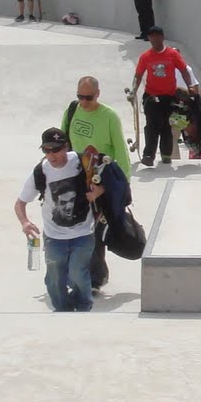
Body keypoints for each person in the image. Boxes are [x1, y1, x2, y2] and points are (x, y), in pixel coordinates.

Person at [15, 128, 101, 313]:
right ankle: (63, 311)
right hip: (54, 236)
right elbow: (20, 203)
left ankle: (83, 308)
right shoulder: (41, 171)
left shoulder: (82, 162)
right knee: (55, 278)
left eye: (56, 149)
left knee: (78, 273)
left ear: (66, 147)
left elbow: (107, 183)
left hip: (83, 232)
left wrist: (97, 192)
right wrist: (25, 222)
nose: (51, 155)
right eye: (46, 150)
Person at [61, 76, 132, 290]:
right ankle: (72, 271)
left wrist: (123, 185)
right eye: (80, 97)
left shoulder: (109, 116)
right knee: (71, 226)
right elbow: (62, 143)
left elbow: (121, 151)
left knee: (95, 228)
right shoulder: (71, 111)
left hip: (99, 178)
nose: (83, 102)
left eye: (88, 98)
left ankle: (96, 277)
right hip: (74, 176)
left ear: (98, 94)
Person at [131, 26, 194, 167]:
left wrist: (190, 86)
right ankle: (149, 155)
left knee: (166, 125)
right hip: (151, 96)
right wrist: (133, 90)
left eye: (157, 36)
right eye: (151, 36)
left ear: (162, 37)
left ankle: (166, 154)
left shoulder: (172, 54)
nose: (154, 39)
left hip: (169, 96)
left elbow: (184, 70)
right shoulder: (145, 56)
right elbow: (138, 75)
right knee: (152, 125)